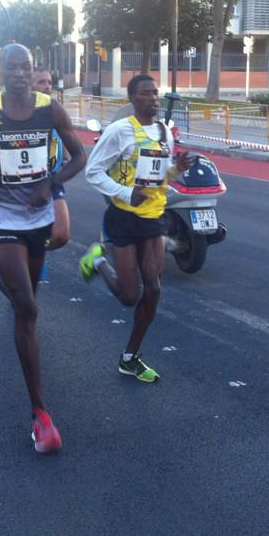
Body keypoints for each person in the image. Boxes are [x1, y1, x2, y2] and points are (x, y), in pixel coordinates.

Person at [0, 44, 86, 454]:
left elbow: (78, 156)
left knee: (25, 297)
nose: (19, 73)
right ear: (0, 70)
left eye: (25, 67)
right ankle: (40, 414)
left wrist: (50, 183)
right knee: (28, 309)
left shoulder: (51, 110)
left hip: (38, 213)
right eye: (12, 66)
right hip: (1, 214)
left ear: (32, 72)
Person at [79, 75, 192, 383]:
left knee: (154, 289)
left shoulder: (163, 132)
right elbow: (93, 171)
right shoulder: (119, 131)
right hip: (125, 218)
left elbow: (160, 173)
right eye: (146, 93)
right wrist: (127, 193)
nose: (153, 98)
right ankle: (98, 260)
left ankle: (130, 357)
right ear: (133, 99)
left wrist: (176, 169)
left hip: (154, 218)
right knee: (130, 296)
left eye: (155, 92)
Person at [31, 67, 71, 261]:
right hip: (21, 183)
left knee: (61, 235)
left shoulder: (54, 109)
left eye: (49, 82)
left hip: (51, 180)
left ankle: (30, 248)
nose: (47, 86)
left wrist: (63, 157)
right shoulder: (17, 112)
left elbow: (72, 150)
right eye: (41, 82)